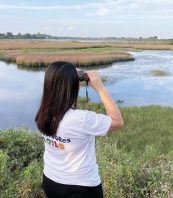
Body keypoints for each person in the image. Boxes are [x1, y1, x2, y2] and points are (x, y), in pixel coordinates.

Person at [35, 61, 124, 198]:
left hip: (51, 181)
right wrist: (101, 89)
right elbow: (118, 122)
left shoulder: (43, 112)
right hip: (81, 188)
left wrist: (70, 72)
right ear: (72, 86)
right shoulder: (81, 119)